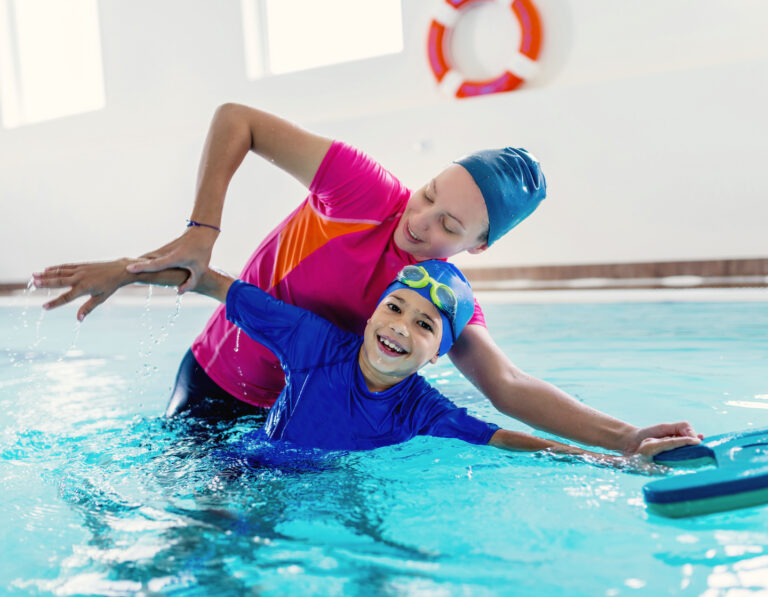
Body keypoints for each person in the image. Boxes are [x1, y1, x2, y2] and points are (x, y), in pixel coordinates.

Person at [33, 102, 701, 454]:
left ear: (480, 244)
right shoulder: (362, 189)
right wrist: (196, 234)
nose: (421, 221)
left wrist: (626, 436)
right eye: (430, 193)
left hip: (288, 420)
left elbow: (509, 385)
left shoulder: (437, 298)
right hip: (213, 382)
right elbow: (237, 118)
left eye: (449, 225)